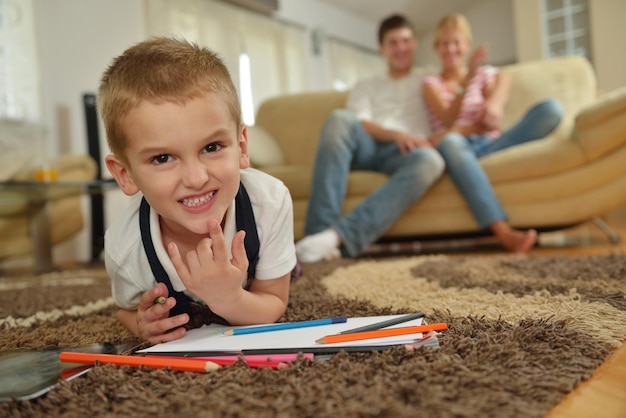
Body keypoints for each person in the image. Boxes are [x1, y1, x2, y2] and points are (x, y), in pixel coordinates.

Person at [99, 37, 296, 344]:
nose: (195, 177)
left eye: (211, 147)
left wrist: (230, 299)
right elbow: (125, 309)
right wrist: (142, 324)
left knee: (287, 270)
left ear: (242, 147)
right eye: (163, 158)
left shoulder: (269, 203)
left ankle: (294, 255)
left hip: (259, 270)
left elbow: (272, 299)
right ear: (125, 174)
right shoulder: (125, 248)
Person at [295, 14, 446, 263]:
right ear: (382, 48)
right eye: (393, 42)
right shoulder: (367, 85)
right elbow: (361, 122)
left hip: (408, 153)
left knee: (433, 162)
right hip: (367, 146)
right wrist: (395, 134)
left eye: (405, 40)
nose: (401, 48)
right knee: (339, 118)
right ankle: (317, 233)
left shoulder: (429, 78)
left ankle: (333, 238)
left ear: (415, 43)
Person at [421, 13, 563, 252]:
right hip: (456, 150)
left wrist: (495, 103)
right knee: (452, 142)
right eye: (444, 43)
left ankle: (469, 170)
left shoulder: (484, 75)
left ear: (466, 45)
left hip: (492, 147)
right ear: (437, 48)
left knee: (551, 109)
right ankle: (503, 232)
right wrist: (466, 86)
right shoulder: (430, 83)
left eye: (456, 42)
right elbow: (447, 118)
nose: (451, 49)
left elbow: (494, 108)